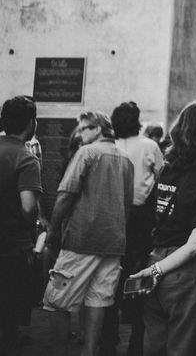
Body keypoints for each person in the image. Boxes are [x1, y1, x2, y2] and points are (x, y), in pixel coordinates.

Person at [130, 99, 196, 356]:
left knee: (156, 347)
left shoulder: (167, 173)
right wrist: (155, 270)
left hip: (157, 269)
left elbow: (151, 217)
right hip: (190, 278)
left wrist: (151, 269)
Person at [43, 111, 134, 356]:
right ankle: (90, 351)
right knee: (98, 300)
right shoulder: (126, 159)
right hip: (114, 242)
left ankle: (59, 351)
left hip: (81, 240)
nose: (80, 134)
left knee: (55, 300)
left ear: (99, 129)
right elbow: (128, 203)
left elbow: (66, 194)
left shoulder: (87, 153)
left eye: (84, 129)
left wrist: (53, 229)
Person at [101, 101, 165, 356]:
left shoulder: (110, 147)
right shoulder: (150, 146)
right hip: (142, 217)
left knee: (109, 275)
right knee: (139, 276)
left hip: (111, 215)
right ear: (138, 120)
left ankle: (108, 338)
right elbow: (161, 177)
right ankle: (136, 341)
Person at [0, 95, 42, 355]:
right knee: (9, 312)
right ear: (30, 123)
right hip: (12, 247)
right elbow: (28, 207)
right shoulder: (26, 159)